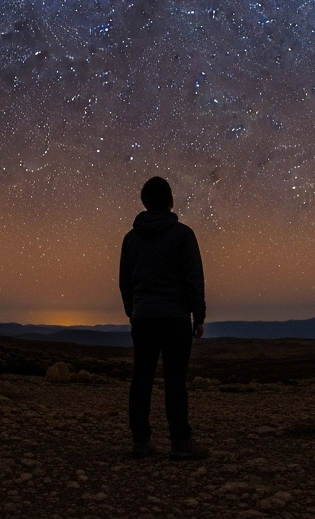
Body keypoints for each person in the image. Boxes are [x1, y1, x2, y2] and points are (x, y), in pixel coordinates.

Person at [119, 175, 209, 460]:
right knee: (175, 381)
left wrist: (132, 311)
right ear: (170, 201)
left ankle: (140, 442)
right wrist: (199, 315)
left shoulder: (131, 238)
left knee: (141, 379)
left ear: (144, 202)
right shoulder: (183, 235)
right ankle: (180, 443)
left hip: (144, 317)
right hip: (174, 318)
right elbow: (193, 277)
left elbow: (125, 281)